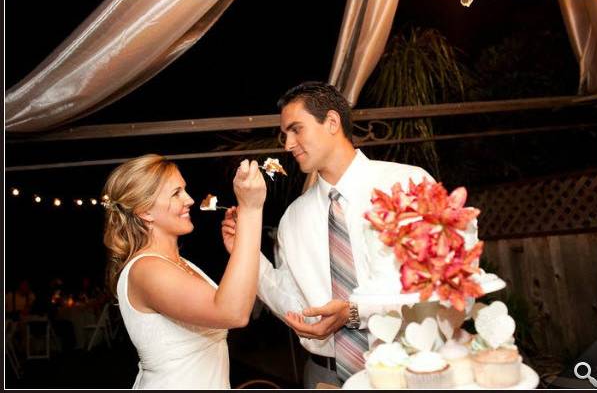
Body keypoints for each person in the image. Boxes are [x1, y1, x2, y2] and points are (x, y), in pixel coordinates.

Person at [222, 82, 478, 388]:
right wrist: (246, 252)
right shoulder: (293, 219)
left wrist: (356, 313)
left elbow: (446, 280)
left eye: (296, 130)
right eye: (284, 135)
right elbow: (292, 299)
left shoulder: (409, 184)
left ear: (332, 122)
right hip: (325, 375)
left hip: (411, 365)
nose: (288, 144)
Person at [103, 154, 266, 389]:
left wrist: (240, 247)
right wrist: (251, 210)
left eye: (185, 190)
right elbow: (233, 312)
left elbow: (232, 302)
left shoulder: (180, 264)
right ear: (145, 211)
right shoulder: (146, 270)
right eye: (175, 193)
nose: (189, 199)